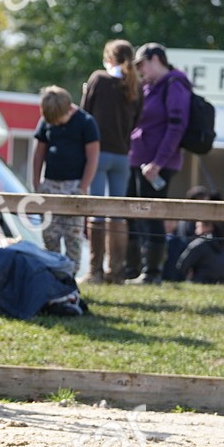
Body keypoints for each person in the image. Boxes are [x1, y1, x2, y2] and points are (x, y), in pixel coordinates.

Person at [125, 43, 192, 285]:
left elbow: (177, 127)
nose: (139, 70)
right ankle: (131, 268)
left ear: (155, 59)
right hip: (137, 159)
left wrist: (158, 162)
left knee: (150, 214)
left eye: (141, 64)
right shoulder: (148, 87)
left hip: (156, 165)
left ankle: (151, 273)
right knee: (131, 213)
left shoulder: (176, 84)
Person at [80, 39, 141, 283]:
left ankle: (94, 271)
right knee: (117, 213)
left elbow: (85, 113)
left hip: (98, 153)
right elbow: (137, 121)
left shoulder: (98, 79)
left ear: (109, 58)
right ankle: (116, 271)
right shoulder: (135, 86)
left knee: (96, 211)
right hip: (122, 155)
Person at [32, 86, 100, 272]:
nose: (56, 124)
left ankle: (71, 274)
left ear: (68, 108)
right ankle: (52, 271)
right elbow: (39, 153)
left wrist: (83, 187)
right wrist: (37, 183)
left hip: (74, 186)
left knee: (73, 235)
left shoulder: (86, 122)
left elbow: (93, 158)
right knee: (50, 235)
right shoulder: (46, 122)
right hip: (51, 184)